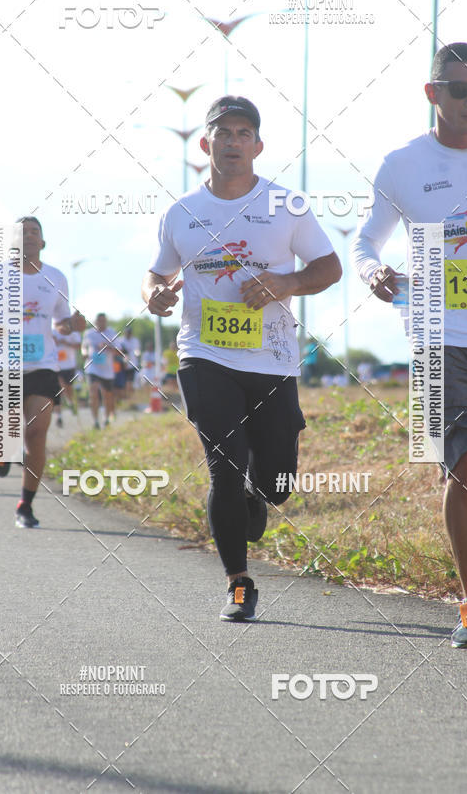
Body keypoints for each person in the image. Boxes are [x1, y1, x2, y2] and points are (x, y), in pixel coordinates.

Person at [142, 95, 341, 621]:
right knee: (223, 469)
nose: (232, 142)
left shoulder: (287, 206)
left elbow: (330, 267)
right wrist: (155, 294)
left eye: (242, 133)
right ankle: (238, 583)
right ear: (205, 144)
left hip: (272, 359)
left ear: (258, 146)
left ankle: (260, 493)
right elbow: (158, 273)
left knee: (277, 482)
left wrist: (286, 282)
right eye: (222, 134)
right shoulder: (181, 212)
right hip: (204, 356)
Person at [351, 43, 467, 649]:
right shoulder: (403, 165)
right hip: (435, 333)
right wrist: (372, 271)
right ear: (432, 94)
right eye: (459, 89)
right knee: (462, 462)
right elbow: (365, 240)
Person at [0, 216, 85, 527]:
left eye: (34, 232)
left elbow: (60, 322)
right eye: (22, 232)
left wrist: (72, 325)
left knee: (36, 434)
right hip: (2, 364)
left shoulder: (56, 277)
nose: (28, 236)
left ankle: (25, 505)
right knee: (8, 439)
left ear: (42, 242)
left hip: (42, 364)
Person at [82, 313, 117, 428]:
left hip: (107, 370)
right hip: (92, 368)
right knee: (93, 393)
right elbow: (84, 347)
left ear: (106, 321)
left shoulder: (111, 333)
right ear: (95, 321)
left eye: (103, 321)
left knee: (107, 395)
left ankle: (106, 418)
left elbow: (119, 351)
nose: (101, 323)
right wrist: (85, 354)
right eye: (99, 321)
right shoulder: (89, 333)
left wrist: (107, 347)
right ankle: (95, 420)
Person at [53, 328, 81, 426]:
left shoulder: (73, 332)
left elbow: (78, 346)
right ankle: (58, 417)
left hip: (69, 365)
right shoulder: (52, 331)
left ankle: (70, 402)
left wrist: (66, 342)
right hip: (56, 366)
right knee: (58, 390)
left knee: (68, 389)